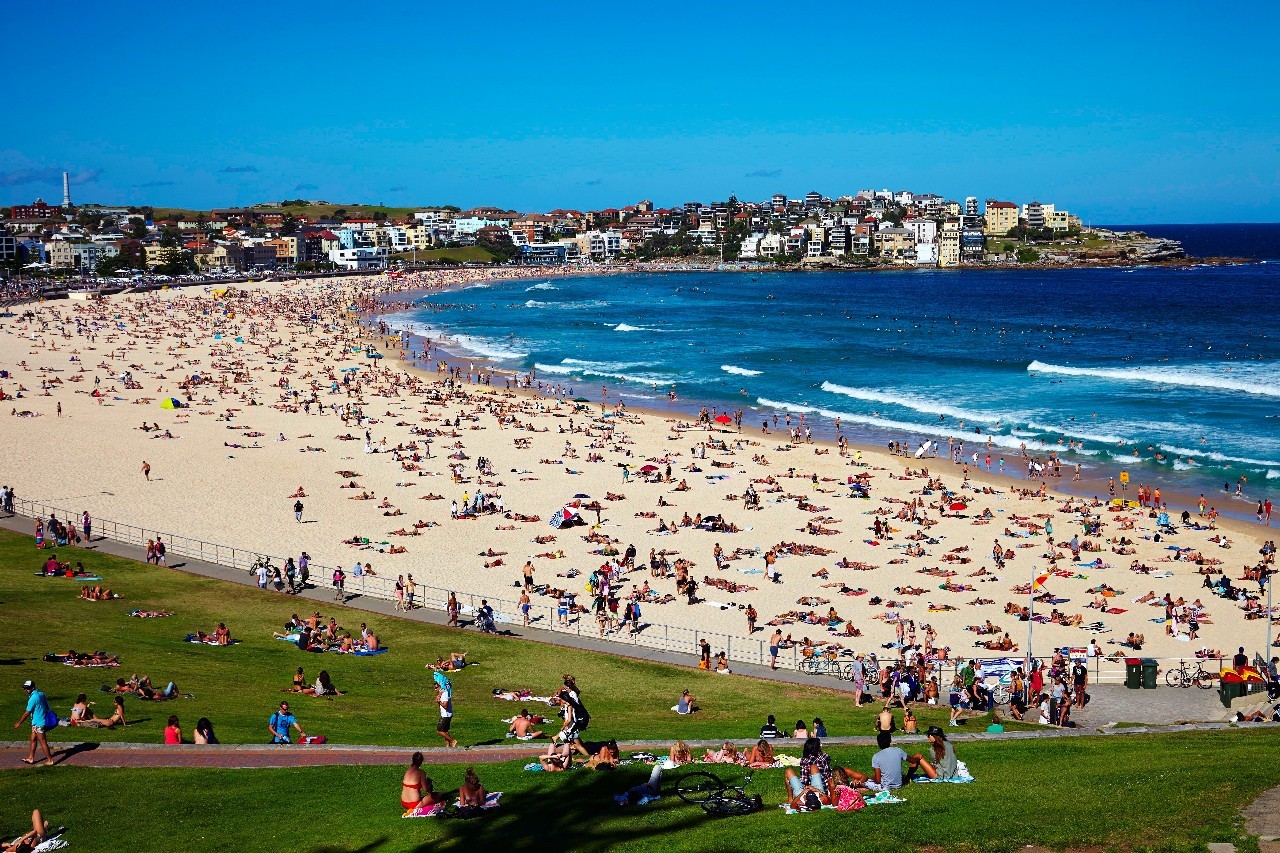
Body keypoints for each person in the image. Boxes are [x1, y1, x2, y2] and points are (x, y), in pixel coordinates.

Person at [863, 730, 935, 791]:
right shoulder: (898, 751)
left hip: (886, 787)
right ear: (890, 741)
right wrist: (918, 757)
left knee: (867, 780)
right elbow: (913, 761)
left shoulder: (876, 756)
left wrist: (874, 778)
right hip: (898, 784)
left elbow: (878, 780)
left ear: (878, 743)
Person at [782, 737, 832, 810]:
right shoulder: (825, 757)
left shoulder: (804, 760)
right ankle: (791, 798)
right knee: (813, 767)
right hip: (819, 789)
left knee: (788, 771)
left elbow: (804, 780)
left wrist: (805, 790)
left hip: (812, 791)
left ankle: (790, 799)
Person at [14, 680, 55, 765]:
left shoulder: (33, 698)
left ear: (33, 687)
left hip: (39, 723)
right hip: (37, 723)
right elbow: (47, 706)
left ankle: (50, 760)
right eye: (25, 688)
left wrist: (19, 723)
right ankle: (31, 758)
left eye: (27, 688)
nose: (26, 690)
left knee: (42, 741)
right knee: (33, 739)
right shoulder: (41, 694)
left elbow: (27, 713)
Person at [434, 671, 458, 748]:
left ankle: (452, 741)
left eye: (436, 687)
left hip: (446, 715)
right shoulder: (443, 693)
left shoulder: (444, 694)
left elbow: (445, 705)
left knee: (439, 730)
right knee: (445, 731)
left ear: (440, 686)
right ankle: (447, 746)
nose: (435, 689)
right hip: (447, 714)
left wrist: (439, 701)